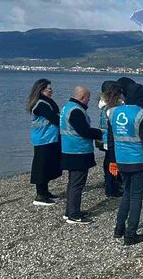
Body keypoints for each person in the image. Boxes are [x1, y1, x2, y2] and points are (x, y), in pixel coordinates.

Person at [108, 84, 143, 246]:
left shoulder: (113, 112)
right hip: (139, 161)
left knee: (127, 193)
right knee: (136, 197)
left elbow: (111, 140)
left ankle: (119, 229)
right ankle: (130, 235)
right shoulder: (142, 115)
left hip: (121, 160)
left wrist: (113, 161)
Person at [60, 86, 103, 224]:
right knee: (77, 184)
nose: (89, 101)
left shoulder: (67, 107)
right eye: (88, 99)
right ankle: (74, 214)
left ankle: (70, 211)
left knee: (73, 182)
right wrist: (100, 133)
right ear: (82, 97)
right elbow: (84, 131)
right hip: (77, 151)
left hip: (69, 149)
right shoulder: (76, 111)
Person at [26, 79, 62, 206]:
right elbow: (54, 118)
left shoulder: (47, 102)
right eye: (49, 89)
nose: (51, 91)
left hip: (50, 138)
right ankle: (40, 195)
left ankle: (45, 192)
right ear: (41, 90)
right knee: (41, 166)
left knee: (48, 165)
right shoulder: (40, 104)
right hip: (43, 139)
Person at [98, 81, 124, 197]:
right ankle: (111, 187)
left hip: (105, 138)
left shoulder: (104, 107)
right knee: (112, 162)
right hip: (111, 139)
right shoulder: (112, 108)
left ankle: (110, 184)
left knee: (108, 161)